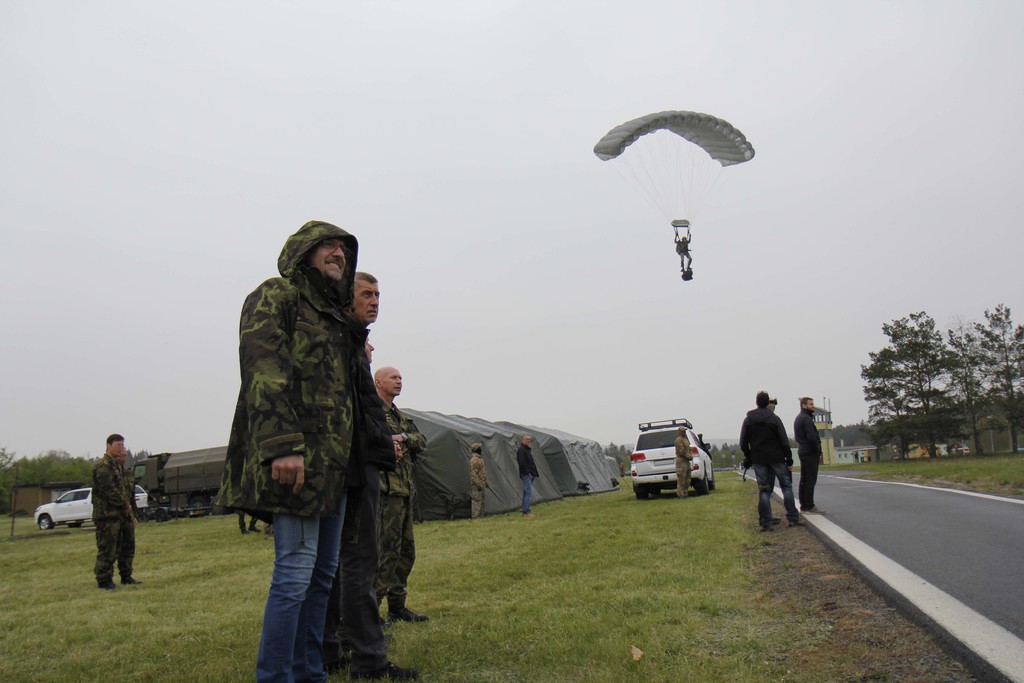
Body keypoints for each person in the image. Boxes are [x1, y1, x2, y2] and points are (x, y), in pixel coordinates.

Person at [217, 220, 361, 683]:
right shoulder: (277, 296)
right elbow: (263, 370)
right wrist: (282, 447)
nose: (338, 253)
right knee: (295, 578)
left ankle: (309, 675)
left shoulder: (335, 318)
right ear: (304, 252)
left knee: (322, 580)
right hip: (296, 463)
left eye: (343, 248)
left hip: (333, 470)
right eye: (329, 246)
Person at [323, 273, 419, 681]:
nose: (375, 301)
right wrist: (379, 448)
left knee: (338, 566)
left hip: (360, 469)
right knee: (358, 565)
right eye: (367, 294)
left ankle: (336, 648)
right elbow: (353, 416)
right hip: (355, 474)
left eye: (378, 294)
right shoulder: (343, 348)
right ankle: (367, 658)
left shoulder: (346, 345)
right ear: (348, 301)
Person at [375, 366, 429, 624]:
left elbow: (421, 440)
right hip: (384, 493)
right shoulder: (373, 413)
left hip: (405, 491)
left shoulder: (401, 417)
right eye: (394, 378)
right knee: (385, 553)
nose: (399, 382)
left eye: (400, 378)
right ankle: (370, 613)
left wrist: (403, 437)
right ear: (378, 381)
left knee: (406, 553)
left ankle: (397, 608)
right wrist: (389, 438)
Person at [739, 391, 803, 531]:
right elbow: (784, 441)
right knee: (786, 486)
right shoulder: (774, 419)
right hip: (777, 457)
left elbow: (743, 442)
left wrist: (749, 456)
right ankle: (793, 518)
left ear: (756, 402)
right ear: (768, 402)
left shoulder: (748, 420)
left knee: (764, 490)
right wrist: (789, 458)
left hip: (759, 459)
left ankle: (766, 522)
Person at [93, 433, 140, 589]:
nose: (121, 449)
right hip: (107, 515)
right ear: (109, 446)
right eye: (118, 445)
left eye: (122, 445)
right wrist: (125, 506)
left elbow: (127, 492)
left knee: (125, 546)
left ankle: (126, 576)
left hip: (120, 515)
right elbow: (110, 491)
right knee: (108, 548)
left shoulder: (119, 468)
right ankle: (104, 580)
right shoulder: (103, 466)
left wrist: (131, 512)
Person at [794, 397, 825, 514]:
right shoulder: (806, 419)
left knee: (804, 479)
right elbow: (811, 437)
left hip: (803, 450)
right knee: (810, 480)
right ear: (804, 405)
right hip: (809, 452)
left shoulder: (799, 418)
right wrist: (817, 450)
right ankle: (809, 506)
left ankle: (803, 505)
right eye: (811, 404)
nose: (813, 406)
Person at [517, 435, 539, 518]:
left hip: (529, 474)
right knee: (528, 493)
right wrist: (528, 473)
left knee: (526, 492)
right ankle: (526, 512)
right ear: (523, 440)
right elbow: (522, 463)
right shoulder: (522, 450)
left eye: (530, 440)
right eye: (527, 439)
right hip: (527, 474)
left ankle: (525, 510)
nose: (529, 441)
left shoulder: (526, 450)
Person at [469, 443, 487, 519]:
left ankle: (481, 516)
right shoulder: (475, 460)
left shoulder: (479, 458)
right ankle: (475, 517)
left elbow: (482, 472)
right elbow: (473, 474)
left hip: (481, 483)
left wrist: (485, 482)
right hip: (477, 484)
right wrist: (478, 484)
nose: (481, 449)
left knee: (482, 501)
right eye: (479, 448)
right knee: (476, 501)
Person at [674, 427, 692, 498]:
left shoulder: (685, 440)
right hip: (681, 460)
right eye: (683, 431)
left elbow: (689, 449)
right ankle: (680, 494)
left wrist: (691, 455)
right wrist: (688, 456)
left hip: (686, 461)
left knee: (687, 478)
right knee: (681, 478)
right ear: (679, 432)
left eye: (684, 431)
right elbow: (682, 451)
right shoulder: (679, 440)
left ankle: (685, 492)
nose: (684, 432)